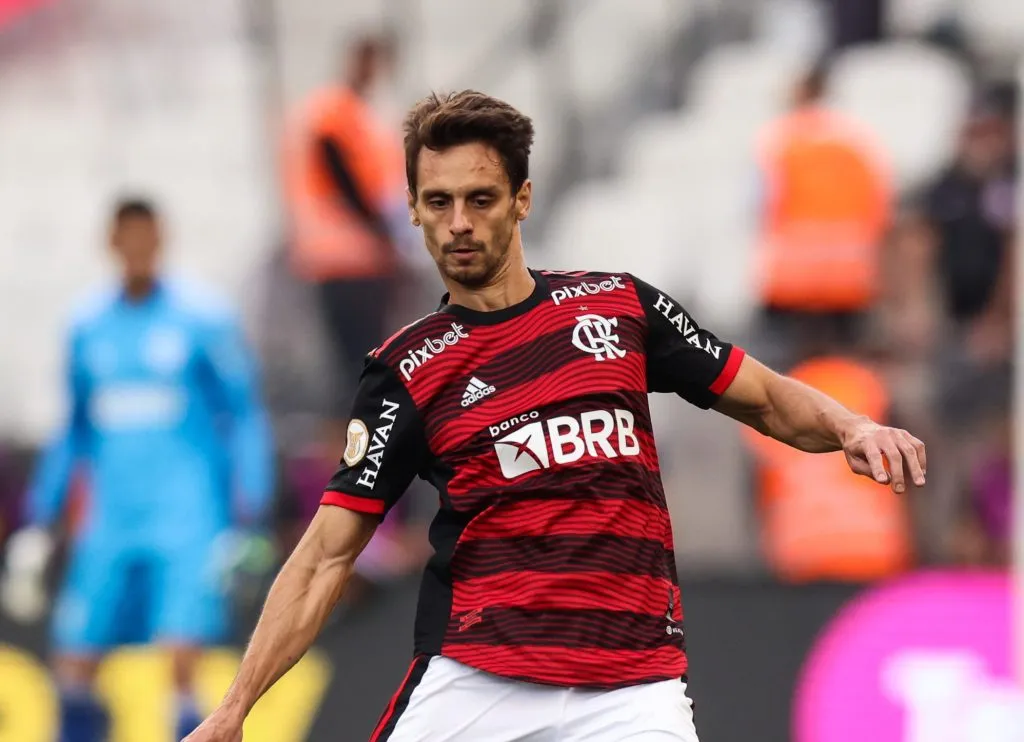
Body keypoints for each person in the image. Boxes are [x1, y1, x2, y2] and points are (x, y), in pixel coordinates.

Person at [185, 91, 926, 742]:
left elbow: (763, 397)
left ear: (522, 199)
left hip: (633, 686)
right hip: (480, 677)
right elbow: (325, 555)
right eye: (438, 203)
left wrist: (851, 428)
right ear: (412, 209)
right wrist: (234, 707)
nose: (458, 223)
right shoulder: (407, 369)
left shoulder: (619, 307)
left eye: (480, 198)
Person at [0, 198, 274, 742]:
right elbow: (75, 427)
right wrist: (40, 518)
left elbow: (242, 415)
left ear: (160, 239)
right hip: (110, 519)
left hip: (186, 516)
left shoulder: (203, 319)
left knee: (181, 657)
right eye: (127, 236)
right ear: (112, 242)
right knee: (74, 659)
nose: (137, 248)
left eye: (146, 235)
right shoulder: (88, 325)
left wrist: (253, 508)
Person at [752, 61, 892, 369]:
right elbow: (879, 204)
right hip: (848, 275)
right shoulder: (858, 139)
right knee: (845, 362)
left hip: (794, 275)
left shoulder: (781, 139)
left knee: (791, 366)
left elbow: (763, 201)